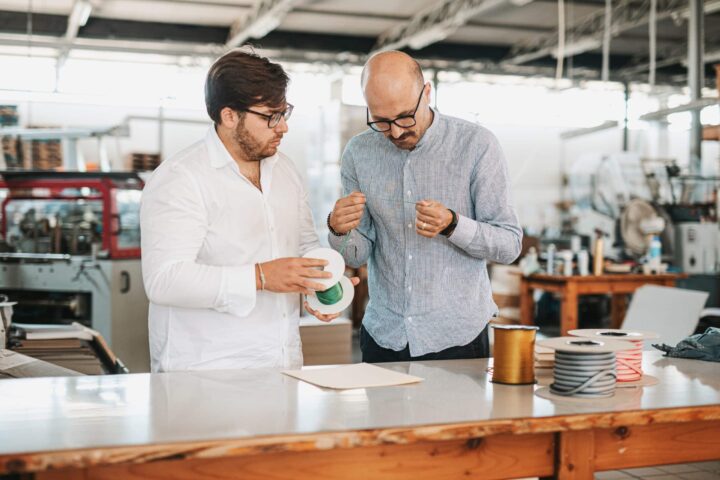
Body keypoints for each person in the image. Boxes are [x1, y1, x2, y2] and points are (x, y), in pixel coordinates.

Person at [141, 50, 354, 373]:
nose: (282, 127)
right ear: (229, 116)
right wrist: (261, 276)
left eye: (285, 113)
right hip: (206, 373)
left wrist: (319, 287)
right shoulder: (181, 178)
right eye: (271, 116)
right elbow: (165, 279)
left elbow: (304, 246)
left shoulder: (284, 171)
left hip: (282, 363)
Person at [327, 51, 522, 363]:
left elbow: (509, 245)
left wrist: (453, 225)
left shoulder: (477, 146)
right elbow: (356, 254)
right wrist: (338, 230)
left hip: (457, 339)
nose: (394, 132)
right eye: (380, 120)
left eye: (405, 116)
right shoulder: (358, 153)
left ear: (427, 93)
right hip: (383, 337)